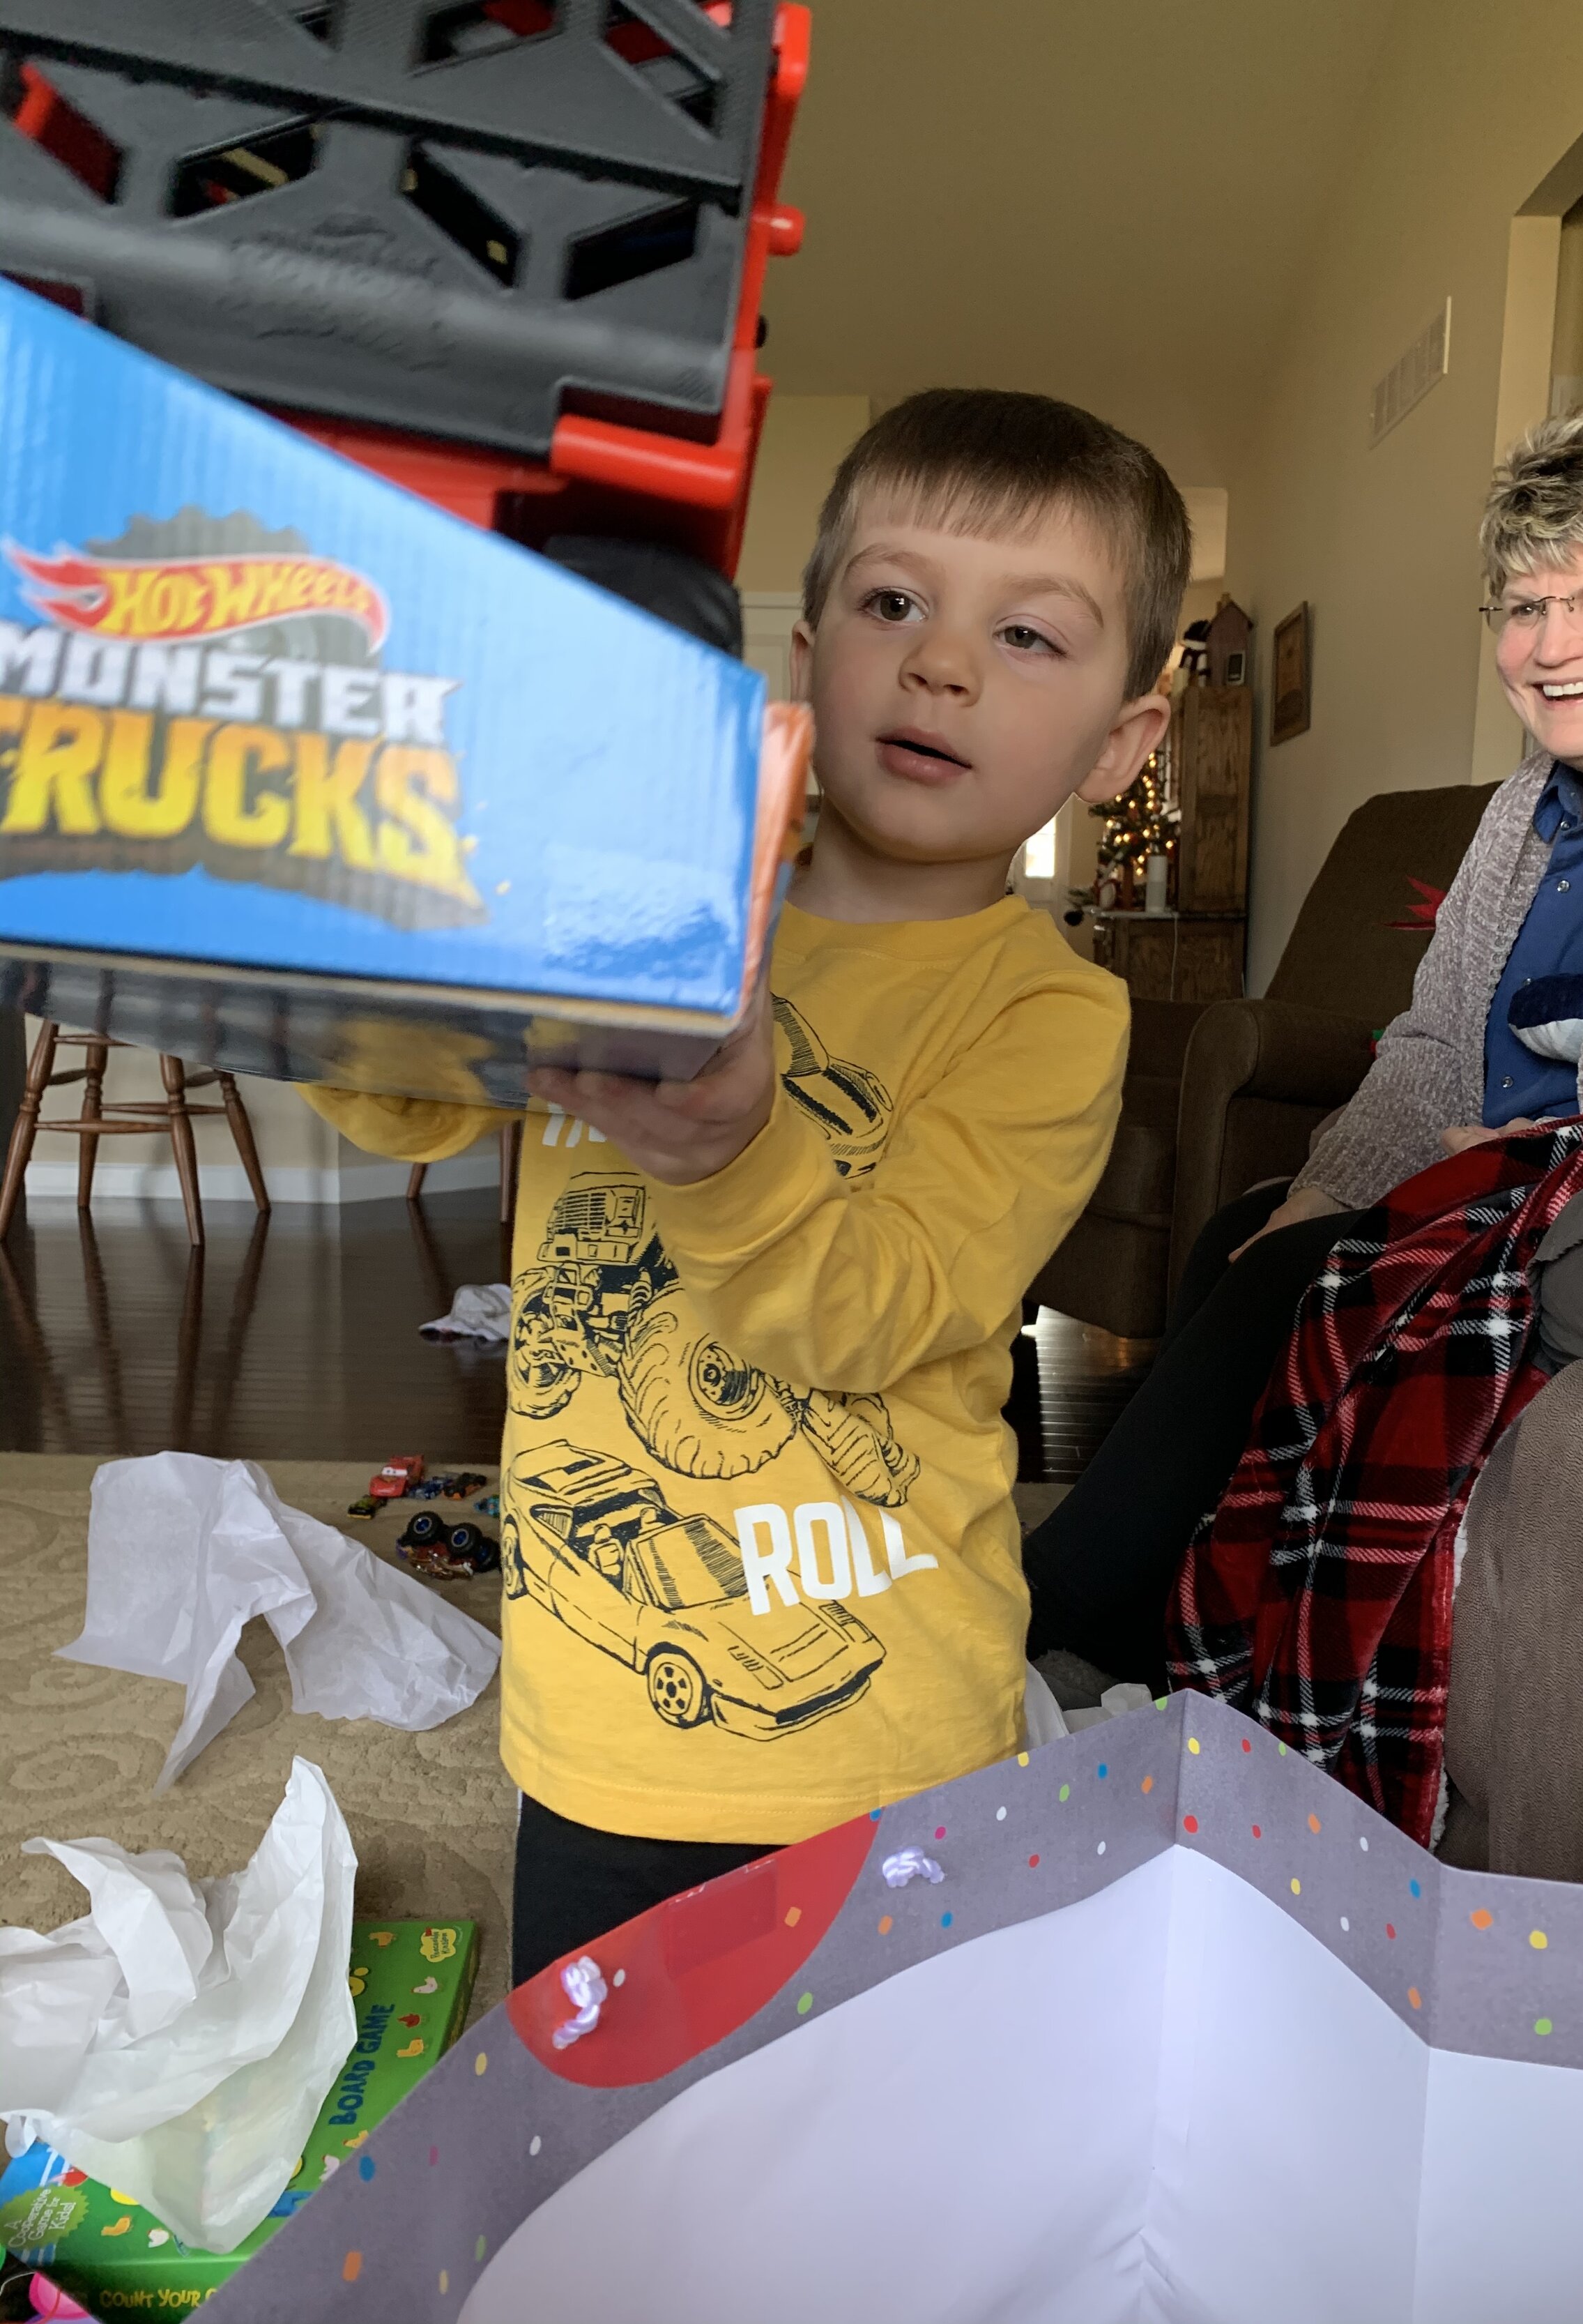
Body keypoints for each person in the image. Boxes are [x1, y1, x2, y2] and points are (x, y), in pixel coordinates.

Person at [306, 388, 1190, 1978]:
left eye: (1029, 637)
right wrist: (352, 924)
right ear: (807, 654)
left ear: (1121, 738)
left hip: (881, 1743)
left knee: (869, 2171)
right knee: (592, 2165)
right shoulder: (658, 900)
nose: (939, 662)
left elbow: (878, 1311)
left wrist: (730, 1144)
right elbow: (398, 1099)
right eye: (892, 601)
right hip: (589, 1719)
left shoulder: (1045, 1009)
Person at [1026, 387, 1583, 1693]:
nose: (1552, 642)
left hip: (1580, 1207)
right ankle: (1167, 1646)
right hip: (1469, 1186)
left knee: (1289, 1275)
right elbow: (1424, 1042)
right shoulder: (1522, 815)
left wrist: (1530, 1159)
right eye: (1524, 607)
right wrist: (1318, 1184)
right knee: (1243, 1236)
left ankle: (1043, 1617)